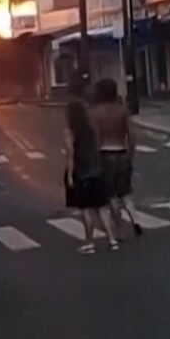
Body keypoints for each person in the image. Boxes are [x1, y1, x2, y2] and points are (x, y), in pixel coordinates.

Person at [88, 78, 142, 237]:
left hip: (105, 153)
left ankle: (118, 226)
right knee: (125, 192)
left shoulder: (95, 112)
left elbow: (96, 137)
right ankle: (136, 219)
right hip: (122, 151)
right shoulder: (122, 110)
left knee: (111, 193)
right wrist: (130, 154)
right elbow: (132, 135)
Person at [64, 97, 118, 254]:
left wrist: (69, 175)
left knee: (86, 210)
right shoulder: (91, 128)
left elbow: (70, 154)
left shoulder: (69, 132)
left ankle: (90, 243)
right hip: (97, 170)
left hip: (82, 172)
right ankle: (112, 239)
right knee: (102, 208)